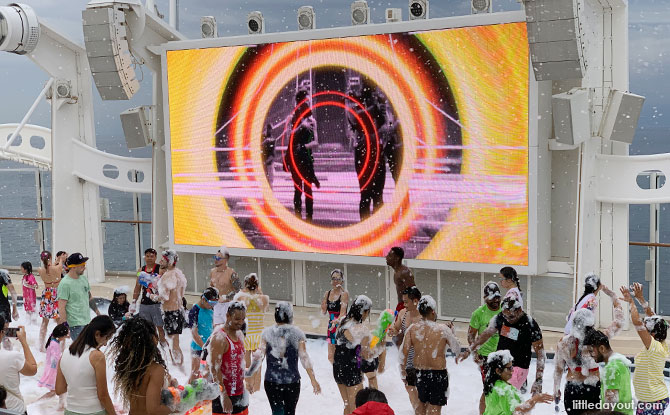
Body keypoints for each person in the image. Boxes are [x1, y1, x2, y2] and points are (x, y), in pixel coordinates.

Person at [553, 283, 623, 415]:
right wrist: (613, 296)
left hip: (572, 388)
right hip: (592, 388)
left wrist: (556, 389)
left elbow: (558, 369)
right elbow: (619, 322)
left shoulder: (563, 342)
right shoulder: (598, 340)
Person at [461, 297, 544, 394]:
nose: (508, 320)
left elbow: (540, 354)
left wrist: (538, 380)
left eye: (511, 317)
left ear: (519, 310)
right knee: (487, 394)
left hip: (518, 367)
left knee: (504, 397)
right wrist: (470, 349)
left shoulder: (530, 324)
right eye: (505, 316)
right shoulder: (501, 317)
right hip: (499, 365)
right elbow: (486, 334)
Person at [250, 302, 321, 415]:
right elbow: (304, 358)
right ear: (290, 315)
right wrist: (313, 379)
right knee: (290, 412)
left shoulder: (267, 333)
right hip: (291, 381)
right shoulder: (297, 334)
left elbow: (259, 357)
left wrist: (251, 376)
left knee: (277, 412)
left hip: (272, 381)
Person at [400, 295, 462, 415]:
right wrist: (452, 332)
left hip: (420, 373)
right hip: (437, 374)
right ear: (433, 312)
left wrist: (403, 372)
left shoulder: (413, 329)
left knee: (421, 409)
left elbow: (404, 353)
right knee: (434, 410)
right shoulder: (443, 329)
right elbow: (457, 349)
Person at [108, 317, 177, 415]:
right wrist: (175, 407)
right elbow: (154, 410)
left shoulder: (131, 366)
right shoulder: (155, 369)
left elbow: (142, 392)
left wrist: (168, 385)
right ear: (153, 339)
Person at [620, 283, 669, 415]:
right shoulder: (661, 342)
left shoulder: (654, 347)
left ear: (652, 334)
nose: (644, 329)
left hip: (653, 400)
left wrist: (631, 302)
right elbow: (654, 317)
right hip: (652, 399)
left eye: (647, 329)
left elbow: (636, 323)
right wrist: (640, 298)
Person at [56, 315, 117, 415]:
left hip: (70, 411)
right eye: (106, 338)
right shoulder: (97, 356)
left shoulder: (65, 353)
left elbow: (59, 390)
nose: (105, 344)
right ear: (97, 334)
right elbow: (103, 395)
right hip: (93, 411)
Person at [333, 295, 383, 415]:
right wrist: (379, 345)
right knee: (356, 409)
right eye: (368, 312)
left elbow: (339, 345)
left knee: (347, 405)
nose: (367, 315)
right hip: (351, 370)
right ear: (364, 311)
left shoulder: (342, 322)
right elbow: (366, 355)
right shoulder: (361, 329)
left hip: (338, 367)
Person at [348, 85, 387, 221]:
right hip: (366, 154)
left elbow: (386, 127)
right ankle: (371, 229)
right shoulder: (363, 112)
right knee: (368, 195)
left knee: (374, 196)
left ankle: (374, 229)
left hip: (371, 153)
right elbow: (354, 119)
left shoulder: (374, 111)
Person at [284, 87, 320, 222]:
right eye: (305, 100)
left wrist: (304, 146)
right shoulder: (292, 118)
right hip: (295, 158)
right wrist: (300, 126)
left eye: (308, 101)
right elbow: (290, 135)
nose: (308, 103)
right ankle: (298, 218)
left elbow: (316, 142)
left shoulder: (312, 121)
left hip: (306, 158)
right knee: (298, 189)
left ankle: (310, 218)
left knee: (308, 189)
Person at [468, 281, 502, 415]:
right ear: (485, 298)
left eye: (498, 297)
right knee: (489, 389)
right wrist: (474, 352)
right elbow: (471, 335)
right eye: (492, 297)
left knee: (501, 389)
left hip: (503, 357)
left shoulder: (504, 311)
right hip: (486, 358)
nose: (496, 300)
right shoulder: (479, 313)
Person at [209, 301, 249, 415]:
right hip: (224, 395)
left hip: (240, 393)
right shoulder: (219, 338)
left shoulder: (239, 334)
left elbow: (238, 363)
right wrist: (224, 395)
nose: (240, 322)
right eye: (237, 319)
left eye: (243, 319)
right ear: (227, 316)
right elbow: (214, 369)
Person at [482, 350, 553, 415]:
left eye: (512, 367)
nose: (512, 371)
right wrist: (534, 400)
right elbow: (517, 411)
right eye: (509, 368)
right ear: (498, 371)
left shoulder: (492, 384)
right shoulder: (503, 389)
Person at [386, 286, 422, 412]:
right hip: (407, 358)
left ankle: (423, 410)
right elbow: (396, 328)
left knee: (422, 389)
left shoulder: (424, 315)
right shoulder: (403, 313)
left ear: (416, 301)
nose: (404, 304)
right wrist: (392, 331)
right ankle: (418, 411)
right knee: (409, 386)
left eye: (406, 301)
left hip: (422, 359)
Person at [583, 329, 634, 415]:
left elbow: (610, 402)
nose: (591, 355)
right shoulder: (620, 361)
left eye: (591, 351)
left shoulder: (611, 369)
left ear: (602, 348)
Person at [234, 273, 269, 393]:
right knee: (258, 362)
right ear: (257, 285)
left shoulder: (241, 298)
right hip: (259, 333)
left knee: (246, 362)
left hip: (246, 333)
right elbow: (265, 309)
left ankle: (249, 387)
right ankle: (257, 387)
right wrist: (259, 291)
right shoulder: (263, 299)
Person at [57, 253, 101, 341]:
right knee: (82, 351)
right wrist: (65, 325)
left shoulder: (83, 279)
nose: (84, 267)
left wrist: (97, 312)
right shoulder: (65, 284)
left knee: (89, 350)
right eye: (82, 265)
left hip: (87, 321)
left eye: (84, 265)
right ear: (73, 267)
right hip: (75, 325)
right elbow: (61, 307)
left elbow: (89, 296)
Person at [156, 249, 187, 366]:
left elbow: (164, 296)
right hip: (178, 311)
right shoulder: (179, 274)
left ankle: (178, 365)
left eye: (163, 259)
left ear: (169, 262)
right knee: (175, 340)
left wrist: (153, 296)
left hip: (170, 312)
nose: (160, 261)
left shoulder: (168, 275)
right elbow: (181, 294)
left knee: (172, 341)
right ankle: (179, 364)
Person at [0, 318, 37, 414]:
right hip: (13, 410)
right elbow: (32, 369)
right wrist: (24, 342)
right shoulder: (12, 357)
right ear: (1, 333)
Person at [132, 248, 167, 346]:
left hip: (157, 303)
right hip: (144, 303)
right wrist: (134, 301)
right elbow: (137, 287)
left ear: (155, 257)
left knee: (160, 327)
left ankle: (164, 347)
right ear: (144, 257)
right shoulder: (141, 270)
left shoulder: (160, 269)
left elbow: (166, 286)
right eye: (147, 256)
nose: (149, 258)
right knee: (146, 328)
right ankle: (151, 346)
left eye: (152, 256)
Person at [188, 287, 219, 383]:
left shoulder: (210, 309)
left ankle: (203, 394)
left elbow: (212, 326)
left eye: (215, 303)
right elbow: (194, 333)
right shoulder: (195, 311)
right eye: (212, 303)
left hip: (209, 346)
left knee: (207, 373)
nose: (213, 305)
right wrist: (204, 347)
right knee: (195, 373)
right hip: (197, 347)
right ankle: (188, 394)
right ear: (203, 299)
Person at [320, 269, 349, 363]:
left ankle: (341, 373)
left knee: (340, 353)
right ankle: (335, 372)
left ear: (342, 281)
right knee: (330, 355)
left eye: (338, 279)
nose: (336, 281)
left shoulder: (344, 294)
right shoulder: (327, 293)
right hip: (331, 325)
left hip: (341, 325)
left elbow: (343, 313)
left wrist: (336, 322)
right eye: (333, 278)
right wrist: (323, 305)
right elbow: (324, 312)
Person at [37, 322, 69, 409]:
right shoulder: (54, 344)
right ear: (60, 336)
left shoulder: (53, 340)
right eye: (65, 336)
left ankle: (61, 407)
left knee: (59, 390)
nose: (65, 337)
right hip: (53, 370)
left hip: (51, 368)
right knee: (54, 391)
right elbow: (55, 359)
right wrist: (59, 369)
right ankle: (36, 403)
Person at [37, 250, 63, 351]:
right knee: (59, 321)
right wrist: (59, 260)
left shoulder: (40, 270)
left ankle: (40, 346)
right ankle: (61, 346)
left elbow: (47, 268)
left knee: (44, 322)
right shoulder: (57, 268)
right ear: (51, 258)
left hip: (47, 294)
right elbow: (59, 265)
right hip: (56, 294)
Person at [210, 247, 241, 325]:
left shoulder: (231, 273)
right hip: (217, 305)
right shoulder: (212, 272)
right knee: (217, 331)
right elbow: (211, 288)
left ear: (225, 260)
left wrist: (226, 297)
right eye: (215, 257)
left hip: (228, 306)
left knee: (229, 330)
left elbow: (238, 290)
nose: (216, 259)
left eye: (218, 258)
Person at [385, 247, 415, 314]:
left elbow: (414, 292)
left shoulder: (405, 272)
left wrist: (410, 311)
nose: (386, 257)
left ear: (397, 258)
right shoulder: (397, 271)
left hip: (407, 307)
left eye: (389, 255)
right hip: (401, 306)